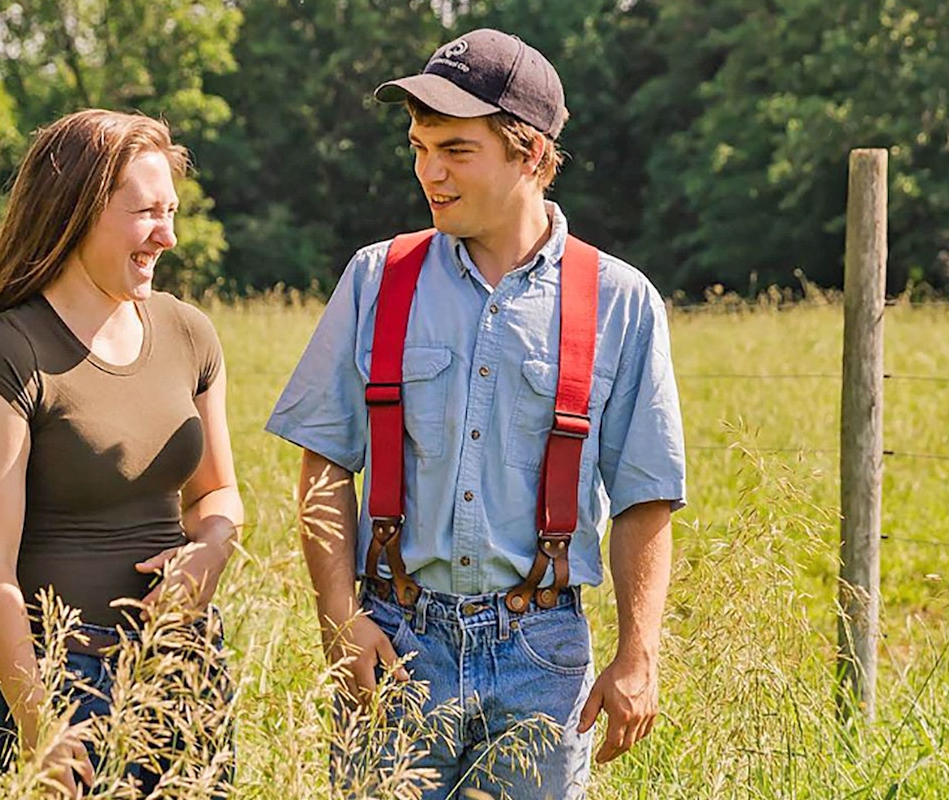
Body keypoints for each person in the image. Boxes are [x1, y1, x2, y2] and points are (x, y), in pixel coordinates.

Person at [266, 28, 686, 799]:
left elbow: (645, 495)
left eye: (456, 151)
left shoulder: (618, 300)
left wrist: (639, 654)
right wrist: (340, 622)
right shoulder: (376, 278)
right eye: (420, 148)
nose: (430, 172)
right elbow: (325, 461)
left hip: (543, 656)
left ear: (532, 154)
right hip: (397, 640)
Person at [0, 109, 240, 796]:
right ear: (75, 213)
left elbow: (217, 493)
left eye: (171, 212)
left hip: (185, 668)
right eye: (146, 213)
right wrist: (39, 722)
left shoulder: (189, 333)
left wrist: (212, 549)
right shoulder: (6, 354)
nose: (168, 235)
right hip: (67, 683)